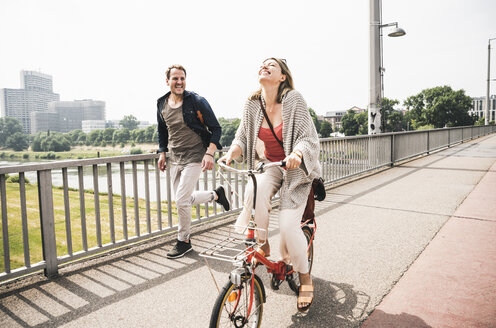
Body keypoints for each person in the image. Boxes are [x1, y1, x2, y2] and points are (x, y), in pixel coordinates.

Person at [218, 58, 321, 312]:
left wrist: (297, 153)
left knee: (287, 226)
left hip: (295, 171)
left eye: (271, 65)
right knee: (254, 188)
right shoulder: (252, 104)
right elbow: (242, 135)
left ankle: (305, 278)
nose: (264, 66)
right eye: (262, 64)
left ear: (282, 76)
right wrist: (232, 153)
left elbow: (308, 137)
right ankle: (262, 243)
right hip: (270, 166)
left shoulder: (294, 100)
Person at [157, 64, 230, 259]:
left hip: (196, 155)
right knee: (183, 200)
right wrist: (162, 152)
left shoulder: (196, 101)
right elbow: (162, 131)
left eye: (182, 78)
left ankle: (184, 241)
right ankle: (216, 195)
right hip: (176, 157)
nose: (179, 82)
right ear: (167, 81)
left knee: (181, 200)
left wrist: (209, 153)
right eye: (175, 79)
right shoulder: (161, 104)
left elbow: (216, 128)